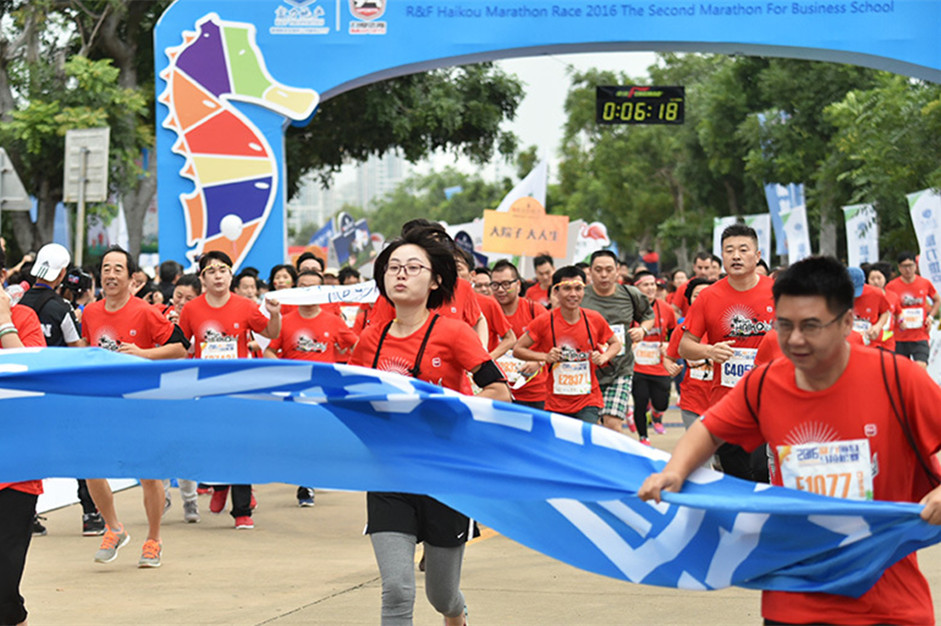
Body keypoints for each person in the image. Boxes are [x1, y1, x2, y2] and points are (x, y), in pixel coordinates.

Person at [640, 255, 941, 625]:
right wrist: (676, 470)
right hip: (796, 594)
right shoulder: (766, 383)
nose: (795, 339)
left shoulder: (897, 379)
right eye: (784, 325)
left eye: (811, 326)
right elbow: (709, 428)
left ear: (847, 322)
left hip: (887, 597)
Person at [348, 225, 510, 626]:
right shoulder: (371, 339)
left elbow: (499, 391)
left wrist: (451, 406)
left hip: (445, 473)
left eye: (413, 267)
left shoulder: (453, 333)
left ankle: (457, 614)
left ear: (436, 279)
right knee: (398, 591)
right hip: (390, 475)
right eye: (393, 267)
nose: (400, 274)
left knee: (441, 594)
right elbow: (348, 399)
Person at [80, 246, 189, 568]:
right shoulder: (90, 313)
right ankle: (114, 528)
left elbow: (181, 346)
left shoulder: (145, 311)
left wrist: (142, 353)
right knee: (90, 467)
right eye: (106, 268)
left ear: (131, 278)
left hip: (142, 403)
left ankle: (153, 539)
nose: (110, 274)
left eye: (117, 269)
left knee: (149, 475)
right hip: (102, 403)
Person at [177, 251, 281, 529]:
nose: (218, 275)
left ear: (231, 275)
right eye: (211, 271)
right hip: (206, 388)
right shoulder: (191, 310)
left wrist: (275, 314)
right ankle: (219, 484)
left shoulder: (246, 306)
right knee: (212, 442)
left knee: (241, 444)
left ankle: (242, 510)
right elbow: (179, 345)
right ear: (202, 278)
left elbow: (271, 333)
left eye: (223, 270)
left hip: (239, 387)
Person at [18, 243, 104, 537]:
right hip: (59, 391)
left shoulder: (15, 302)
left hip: (22, 392)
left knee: (28, 450)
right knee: (80, 448)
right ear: (63, 273)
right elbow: (77, 350)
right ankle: (91, 514)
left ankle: (26, 515)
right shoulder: (61, 308)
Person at [679, 224, 774, 480]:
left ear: (757, 255)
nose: (736, 256)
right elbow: (684, 346)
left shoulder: (777, 293)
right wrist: (709, 350)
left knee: (763, 471)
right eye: (729, 250)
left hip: (768, 400)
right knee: (737, 476)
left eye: (744, 250)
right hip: (727, 403)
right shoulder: (709, 296)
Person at [264, 269, 357, 507]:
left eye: (314, 288)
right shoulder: (286, 321)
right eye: (303, 286)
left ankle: (314, 476)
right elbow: (269, 350)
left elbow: (358, 346)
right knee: (300, 437)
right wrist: (281, 371)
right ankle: (305, 484)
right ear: (295, 290)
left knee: (320, 435)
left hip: (324, 390)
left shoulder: (333, 321)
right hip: (295, 390)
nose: (308, 292)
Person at [514, 265, 622, 424]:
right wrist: (545, 357)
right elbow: (518, 349)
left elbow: (616, 344)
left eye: (578, 288)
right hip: (555, 402)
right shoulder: (544, 321)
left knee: (585, 440)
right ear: (556, 292)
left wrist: (604, 356)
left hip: (588, 399)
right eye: (567, 288)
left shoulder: (594, 319)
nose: (573, 294)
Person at [0, 253, 44, 626]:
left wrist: (3, 324)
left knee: (4, 584)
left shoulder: (24, 319)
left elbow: (33, 374)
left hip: (15, 467)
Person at [580, 250, 654, 431]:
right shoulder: (580, 296)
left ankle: (615, 459)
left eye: (608, 269)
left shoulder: (630, 294)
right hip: (588, 372)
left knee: (612, 423)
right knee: (591, 426)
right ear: (590, 271)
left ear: (618, 270)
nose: (604, 275)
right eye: (598, 270)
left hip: (620, 370)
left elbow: (648, 316)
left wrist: (642, 329)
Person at [489, 260, 550, 410]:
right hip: (498, 392)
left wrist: (538, 362)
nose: (501, 290)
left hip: (534, 393)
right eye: (495, 285)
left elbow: (555, 342)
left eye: (506, 284)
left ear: (518, 285)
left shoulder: (535, 310)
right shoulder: (484, 311)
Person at [629, 270, 680, 443]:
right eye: (646, 284)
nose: (651, 288)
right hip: (637, 366)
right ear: (636, 288)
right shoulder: (629, 308)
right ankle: (643, 437)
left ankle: (657, 414)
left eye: (653, 284)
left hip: (659, 365)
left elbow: (674, 332)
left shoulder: (665, 308)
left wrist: (668, 345)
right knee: (640, 402)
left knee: (662, 402)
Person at [886, 251, 939, 369]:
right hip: (899, 336)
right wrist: (898, 319)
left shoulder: (924, 283)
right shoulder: (891, 286)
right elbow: (888, 308)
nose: (908, 270)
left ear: (915, 266)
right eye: (904, 266)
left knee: (921, 368)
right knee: (900, 372)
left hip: (920, 335)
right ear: (899, 268)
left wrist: (930, 317)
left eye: (910, 265)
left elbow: (937, 300)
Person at [846, 266, 890, 347]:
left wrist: (878, 326)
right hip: (846, 346)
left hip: (871, 344)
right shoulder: (834, 296)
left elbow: (885, 312)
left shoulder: (876, 293)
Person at [866, 262, 898, 351]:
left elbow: (899, 313)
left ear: (885, 278)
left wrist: (902, 321)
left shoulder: (893, 296)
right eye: (872, 278)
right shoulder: (863, 297)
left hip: (888, 342)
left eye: (879, 278)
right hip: (870, 342)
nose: (876, 282)